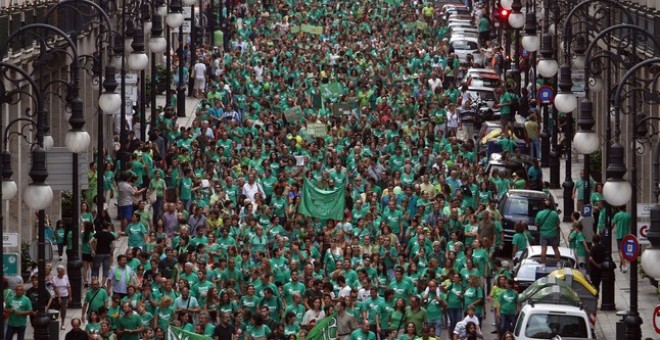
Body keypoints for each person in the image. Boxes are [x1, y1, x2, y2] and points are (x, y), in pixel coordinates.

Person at [535, 199, 561, 265]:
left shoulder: (539, 214)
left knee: (543, 249)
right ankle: (558, 263)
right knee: (555, 248)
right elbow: (558, 223)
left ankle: (543, 264)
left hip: (543, 234)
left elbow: (536, 224)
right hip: (553, 234)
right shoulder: (554, 214)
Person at [613, 205, 632, 272]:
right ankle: (620, 265)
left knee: (621, 251)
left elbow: (612, 225)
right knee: (624, 250)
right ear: (625, 208)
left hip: (619, 235)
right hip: (626, 235)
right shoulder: (628, 216)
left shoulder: (617, 215)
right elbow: (630, 225)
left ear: (618, 207)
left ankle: (624, 265)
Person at [52, 265, 72, 330]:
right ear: (59, 272)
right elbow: (56, 289)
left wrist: (70, 296)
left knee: (63, 310)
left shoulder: (66, 277)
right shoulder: (55, 279)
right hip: (57, 296)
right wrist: (59, 297)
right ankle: (55, 323)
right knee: (56, 310)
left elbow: (68, 287)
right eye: (63, 271)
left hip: (64, 296)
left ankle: (63, 324)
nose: (64, 272)